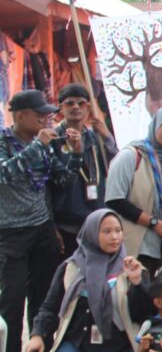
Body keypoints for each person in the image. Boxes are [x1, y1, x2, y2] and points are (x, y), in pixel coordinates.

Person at [25, 209, 151, 352]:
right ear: (91, 234)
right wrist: (37, 335)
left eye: (118, 231)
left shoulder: (132, 268)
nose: (114, 237)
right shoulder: (71, 268)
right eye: (106, 231)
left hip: (116, 348)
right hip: (78, 345)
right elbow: (50, 306)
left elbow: (144, 314)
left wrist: (137, 283)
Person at [1, 89, 84, 352]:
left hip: (42, 228)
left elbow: (61, 180)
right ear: (20, 115)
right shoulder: (5, 141)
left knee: (42, 296)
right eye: (39, 113)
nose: (45, 118)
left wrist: (75, 154)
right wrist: (37, 146)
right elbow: (5, 175)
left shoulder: (45, 144)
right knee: (11, 299)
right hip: (10, 232)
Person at [105, 107, 162, 271]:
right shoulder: (131, 156)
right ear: (155, 125)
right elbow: (114, 199)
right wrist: (154, 223)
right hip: (138, 247)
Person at [52, 83, 118, 256]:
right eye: (70, 103)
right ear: (61, 107)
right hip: (69, 222)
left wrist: (108, 138)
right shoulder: (54, 139)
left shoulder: (94, 135)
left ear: (88, 107)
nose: (76, 107)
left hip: (97, 219)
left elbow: (116, 166)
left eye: (81, 103)